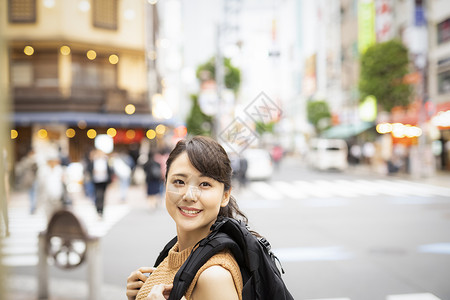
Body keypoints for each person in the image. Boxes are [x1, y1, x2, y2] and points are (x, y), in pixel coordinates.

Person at [127, 136, 249, 300]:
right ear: (165, 185)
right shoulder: (177, 252)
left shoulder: (213, 276)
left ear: (225, 196)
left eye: (205, 184)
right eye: (179, 181)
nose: (189, 196)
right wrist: (139, 293)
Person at [87, 149, 113, 218]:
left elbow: (110, 170)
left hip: (104, 180)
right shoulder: (94, 161)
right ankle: (98, 209)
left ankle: (101, 210)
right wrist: (93, 172)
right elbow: (89, 169)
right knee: (98, 195)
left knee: (102, 195)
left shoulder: (105, 161)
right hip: (96, 180)